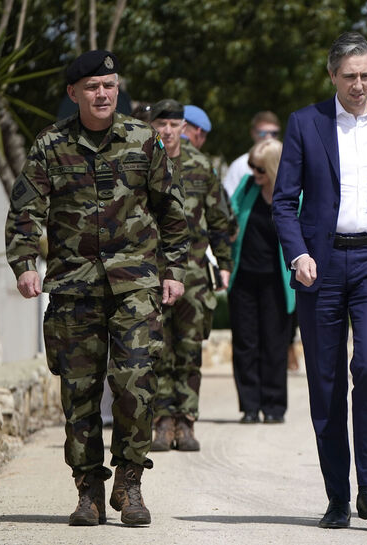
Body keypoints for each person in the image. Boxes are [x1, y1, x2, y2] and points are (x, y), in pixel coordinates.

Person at [5, 50, 189, 527]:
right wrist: (25, 263)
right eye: (91, 86)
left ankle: (129, 484)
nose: (102, 93)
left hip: (136, 285)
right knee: (79, 393)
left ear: (118, 88)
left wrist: (174, 270)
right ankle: (88, 489)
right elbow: (25, 210)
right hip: (73, 287)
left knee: (135, 387)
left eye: (108, 84)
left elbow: (172, 210)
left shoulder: (143, 139)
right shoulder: (51, 144)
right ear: (73, 94)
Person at [272, 31, 367, 530]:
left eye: (366, 75)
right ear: (333, 75)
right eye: (350, 75)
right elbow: (283, 200)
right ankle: (337, 496)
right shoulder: (305, 123)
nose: (359, 84)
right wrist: (298, 255)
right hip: (324, 265)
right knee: (327, 381)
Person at [148, 99, 235, 452]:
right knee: (156, 350)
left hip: (195, 273)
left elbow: (219, 220)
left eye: (174, 124)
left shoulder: (201, 166)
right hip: (150, 273)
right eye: (161, 124)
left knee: (188, 349)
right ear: (152, 126)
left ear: (185, 128)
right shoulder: (140, 161)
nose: (168, 131)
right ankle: (161, 422)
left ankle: (186, 422)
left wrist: (225, 264)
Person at [228, 139, 294, 424]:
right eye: (252, 167)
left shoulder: (292, 195)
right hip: (243, 278)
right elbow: (228, 219)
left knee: (275, 344)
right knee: (245, 343)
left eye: (259, 169)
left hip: (278, 282)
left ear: (273, 168)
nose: (254, 173)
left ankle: (275, 406)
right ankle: (250, 406)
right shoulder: (246, 187)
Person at [222, 111, 281, 196]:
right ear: (252, 133)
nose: (268, 137)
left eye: (274, 133)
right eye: (262, 133)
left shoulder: (291, 163)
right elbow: (228, 200)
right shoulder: (240, 165)